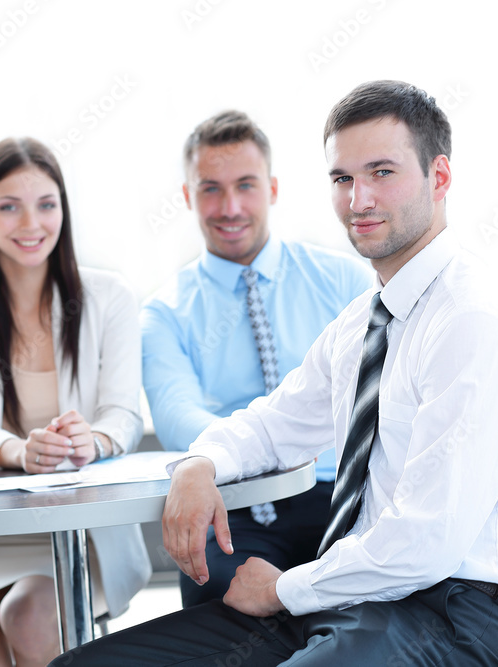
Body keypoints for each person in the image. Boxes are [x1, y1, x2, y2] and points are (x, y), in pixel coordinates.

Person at [52, 80, 498, 666]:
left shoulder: (472, 320)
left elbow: (427, 542)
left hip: (448, 616)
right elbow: (276, 423)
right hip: (356, 600)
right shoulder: (364, 321)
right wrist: (201, 462)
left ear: (439, 178)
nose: (358, 199)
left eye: (382, 173)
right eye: (342, 179)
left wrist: (284, 589)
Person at [0, 137, 151, 667]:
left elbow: (124, 414)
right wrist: (18, 452)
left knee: (27, 617)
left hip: (79, 531)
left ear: (63, 210)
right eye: (9, 206)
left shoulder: (108, 298)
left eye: (46, 204)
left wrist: (91, 441)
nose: (31, 223)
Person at [141, 110, 373, 607]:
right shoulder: (164, 313)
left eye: (245, 185)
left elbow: (376, 397)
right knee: (225, 606)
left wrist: (289, 442)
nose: (230, 207)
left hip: (340, 495)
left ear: (271, 188)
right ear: (187, 196)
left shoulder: (346, 281)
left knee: (364, 608)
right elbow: (177, 417)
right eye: (210, 189)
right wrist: (247, 452)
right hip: (233, 507)